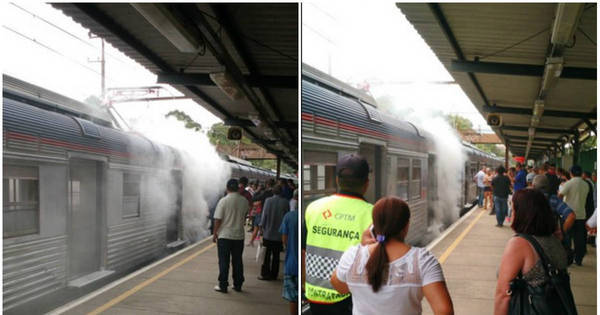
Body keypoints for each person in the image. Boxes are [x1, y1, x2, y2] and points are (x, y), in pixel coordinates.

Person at [330, 197, 454, 315]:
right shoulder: (423, 261)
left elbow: (340, 287)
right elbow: (444, 311)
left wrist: (362, 246)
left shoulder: (353, 256)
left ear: (374, 226)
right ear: (406, 226)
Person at [303, 154, 374, 314]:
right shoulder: (372, 214)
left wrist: (304, 286)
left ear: (337, 180)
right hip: (350, 298)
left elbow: (303, 251)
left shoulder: (313, 208)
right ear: (366, 183)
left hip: (315, 297)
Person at [494, 189, 569, 314]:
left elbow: (503, 294)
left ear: (523, 213)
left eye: (513, 209)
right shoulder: (554, 239)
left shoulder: (519, 244)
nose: (511, 213)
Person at [213, 179, 250, 293]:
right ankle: (238, 284)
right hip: (239, 236)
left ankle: (223, 285)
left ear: (227, 188)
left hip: (224, 236)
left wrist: (215, 233)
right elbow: (245, 216)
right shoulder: (244, 201)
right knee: (237, 261)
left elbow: (218, 219)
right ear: (238, 188)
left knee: (224, 261)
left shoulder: (223, 201)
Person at [559, 165, 589, 266]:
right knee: (579, 239)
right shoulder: (586, 184)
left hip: (568, 215)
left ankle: (568, 258)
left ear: (571, 173)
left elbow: (560, 195)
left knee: (566, 237)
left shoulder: (569, 183)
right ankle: (579, 259)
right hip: (581, 215)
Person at [532, 175, 576, 244]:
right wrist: (562, 231)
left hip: (532, 239)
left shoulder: (528, 199)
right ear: (547, 186)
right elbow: (571, 216)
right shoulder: (554, 200)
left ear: (533, 186)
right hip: (551, 238)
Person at [259, 184, 289, 280]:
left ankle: (265, 274)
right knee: (276, 256)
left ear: (273, 191)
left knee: (266, 255)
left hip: (268, 233)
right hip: (279, 235)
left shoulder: (268, 201)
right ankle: (274, 274)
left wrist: (261, 228)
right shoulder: (285, 202)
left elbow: (264, 216)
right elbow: (286, 218)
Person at [279, 194, 299, 315]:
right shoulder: (313, 216)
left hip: (292, 265)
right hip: (310, 267)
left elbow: (284, 239)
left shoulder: (289, 216)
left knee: (293, 298)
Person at [248, 180, 274, 247]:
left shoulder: (265, 193)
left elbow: (254, 198)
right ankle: (262, 242)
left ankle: (252, 241)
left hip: (261, 212)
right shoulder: (273, 193)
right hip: (270, 213)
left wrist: (257, 191)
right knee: (265, 229)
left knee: (257, 228)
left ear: (267, 185)